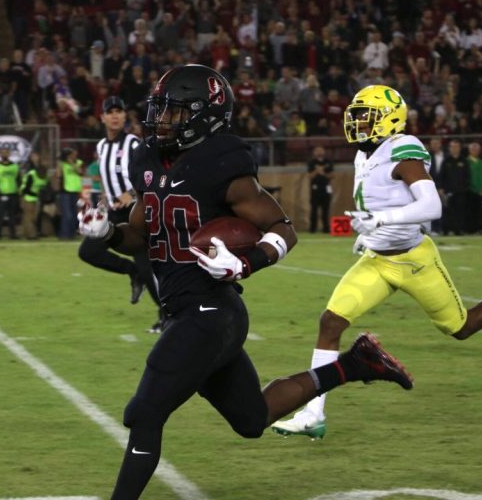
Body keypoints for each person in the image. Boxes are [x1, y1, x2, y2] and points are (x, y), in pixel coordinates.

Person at [78, 65, 416, 499]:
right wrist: (106, 231)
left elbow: (283, 228)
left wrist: (244, 265)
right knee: (252, 418)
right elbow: (142, 235)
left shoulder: (224, 164)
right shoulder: (147, 158)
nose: (161, 120)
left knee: (145, 412)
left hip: (210, 312)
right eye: (160, 110)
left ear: (205, 116)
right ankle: (356, 364)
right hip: (191, 311)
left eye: (175, 113)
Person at [272, 85, 482, 440]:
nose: (358, 123)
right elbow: (375, 202)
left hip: (414, 261)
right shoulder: (365, 153)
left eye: (366, 116)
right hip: (377, 260)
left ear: (389, 119)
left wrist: (380, 222)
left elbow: (432, 207)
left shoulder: (403, 150)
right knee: (331, 321)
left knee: (461, 327)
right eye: (357, 116)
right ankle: (313, 414)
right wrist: (368, 234)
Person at [78, 96, 164, 331]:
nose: (115, 115)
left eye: (119, 111)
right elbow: (107, 179)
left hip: (136, 210)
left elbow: (150, 173)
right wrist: (103, 202)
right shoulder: (101, 146)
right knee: (88, 251)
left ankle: (166, 315)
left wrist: (130, 193)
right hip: (115, 212)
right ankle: (132, 272)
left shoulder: (134, 144)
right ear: (103, 117)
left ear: (125, 116)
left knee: (147, 264)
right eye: (110, 111)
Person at [438, 139, 471, 235]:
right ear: (449, 148)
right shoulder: (446, 161)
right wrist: (440, 188)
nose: (454, 149)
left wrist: (465, 187)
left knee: (460, 211)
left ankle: (458, 230)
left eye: (456, 147)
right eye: (452, 147)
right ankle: (446, 230)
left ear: (460, 148)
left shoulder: (464, 161)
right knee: (447, 211)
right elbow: (441, 175)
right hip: (448, 191)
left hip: (461, 191)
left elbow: (467, 176)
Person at [0, 147, 21, 240]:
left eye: (6, 153)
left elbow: (19, 179)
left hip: (13, 193)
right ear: (0, 154)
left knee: (12, 215)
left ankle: (13, 234)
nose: (4, 154)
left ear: (9, 154)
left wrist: (19, 190)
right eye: (2, 153)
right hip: (1, 194)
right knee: (0, 214)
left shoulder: (15, 166)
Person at [55, 147, 83, 239]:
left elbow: (80, 172)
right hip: (65, 191)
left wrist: (71, 163)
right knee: (67, 214)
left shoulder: (78, 162)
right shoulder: (62, 164)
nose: (74, 156)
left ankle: (72, 234)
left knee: (75, 214)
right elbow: (58, 175)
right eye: (72, 154)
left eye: (75, 154)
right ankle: (64, 234)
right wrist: (60, 163)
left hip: (75, 191)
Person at [20, 153, 49, 240]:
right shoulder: (31, 173)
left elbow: (45, 185)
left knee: (33, 217)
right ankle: (32, 235)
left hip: (37, 197)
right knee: (29, 217)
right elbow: (26, 188)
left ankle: (29, 233)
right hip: (29, 197)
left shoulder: (43, 174)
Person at [307, 145, 333, 233]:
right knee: (314, 210)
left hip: (326, 188)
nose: (319, 152)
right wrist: (317, 171)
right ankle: (312, 229)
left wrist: (322, 172)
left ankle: (326, 229)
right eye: (317, 150)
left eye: (321, 150)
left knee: (325, 210)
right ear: (314, 152)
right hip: (315, 189)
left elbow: (332, 175)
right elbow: (310, 176)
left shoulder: (328, 162)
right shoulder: (311, 162)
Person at [466, 142, 482, 234]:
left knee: (479, 210)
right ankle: (470, 228)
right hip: (470, 190)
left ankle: (478, 228)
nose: (475, 151)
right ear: (469, 151)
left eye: (477, 150)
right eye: (473, 149)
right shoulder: (466, 162)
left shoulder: (481, 162)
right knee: (470, 210)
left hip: (479, 190)